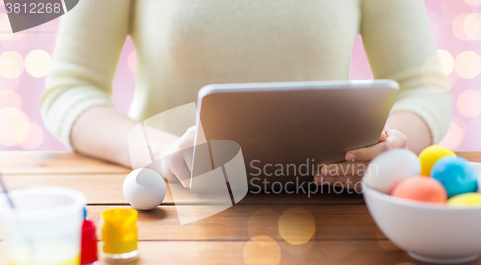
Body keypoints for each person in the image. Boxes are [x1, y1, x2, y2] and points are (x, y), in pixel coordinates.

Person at [40, 0, 452, 189]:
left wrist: (389, 146)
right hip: (176, 208)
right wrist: (163, 154)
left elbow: (424, 86)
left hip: (330, 207)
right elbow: (71, 88)